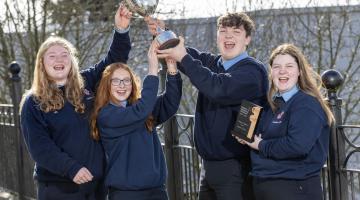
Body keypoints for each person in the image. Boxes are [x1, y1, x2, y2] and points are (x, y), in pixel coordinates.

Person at [147, 12, 268, 200]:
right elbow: (187, 55)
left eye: (236, 32)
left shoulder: (252, 71)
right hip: (208, 167)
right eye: (223, 30)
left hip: (237, 169)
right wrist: (163, 33)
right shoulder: (213, 63)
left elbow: (217, 87)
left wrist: (184, 57)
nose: (228, 36)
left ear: (247, 39)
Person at [19, 4, 132, 200]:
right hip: (59, 188)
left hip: (97, 186)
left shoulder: (87, 82)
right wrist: (71, 168)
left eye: (64, 55)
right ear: (42, 64)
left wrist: (121, 30)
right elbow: (41, 148)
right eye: (52, 56)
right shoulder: (33, 102)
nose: (59, 59)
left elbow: (114, 61)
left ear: (72, 61)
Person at [236, 43, 334, 200]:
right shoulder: (270, 105)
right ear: (271, 72)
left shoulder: (306, 105)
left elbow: (297, 146)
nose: (282, 71)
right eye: (276, 67)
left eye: (289, 66)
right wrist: (246, 137)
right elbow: (261, 136)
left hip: (295, 188)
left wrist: (260, 145)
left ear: (300, 71)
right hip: (262, 185)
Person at [89, 40, 182, 200]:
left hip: (157, 192)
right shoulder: (106, 115)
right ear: (107, 85)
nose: (122, 85)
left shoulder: (140, 108)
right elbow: (142, 111)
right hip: (126, 194)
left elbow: (170, 103)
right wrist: (152, 69)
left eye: (126, 80)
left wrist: (172, 70)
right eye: (116, 81)